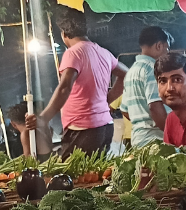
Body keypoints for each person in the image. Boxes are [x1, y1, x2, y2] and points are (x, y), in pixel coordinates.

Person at [28, 9, 126, 155]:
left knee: (71, 169)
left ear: (64, 34)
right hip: (105, 126)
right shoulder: (104, 52)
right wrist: (107, 99)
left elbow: (64, 88)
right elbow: (126, 74)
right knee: (96, 169)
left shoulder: (73, 53)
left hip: (82, 128)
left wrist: (43, 118)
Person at [123, 25, 172, 147]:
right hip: (156, 141)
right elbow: (155, 106)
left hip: (139, 139)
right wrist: (172, 135)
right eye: (167, 49)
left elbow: (124, 110)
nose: (167, 53)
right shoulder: (152, 69)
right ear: (159, 46)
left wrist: (141, 123)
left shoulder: (131, 71)